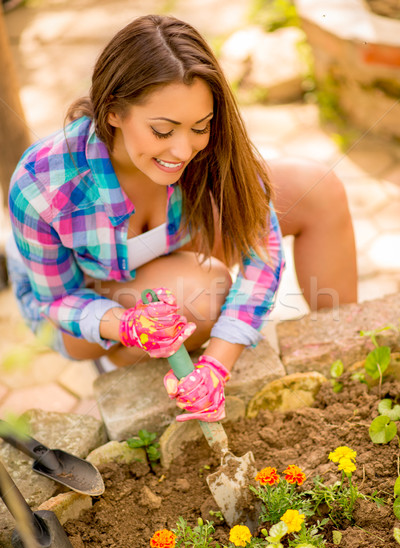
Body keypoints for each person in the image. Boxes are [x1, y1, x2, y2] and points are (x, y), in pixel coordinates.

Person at [6, 14, 357, 422]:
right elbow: (56, 301)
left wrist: (217, 366)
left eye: (200, 126)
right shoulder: (42, 183)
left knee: (316, 189)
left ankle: (348, 363)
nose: (183, 150)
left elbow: (263, 257)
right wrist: (126, 326)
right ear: (114, 111)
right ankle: (123, 358)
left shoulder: (207, 150)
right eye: (162, 130)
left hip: (176, 247)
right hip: (87, 304)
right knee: (203, 292)